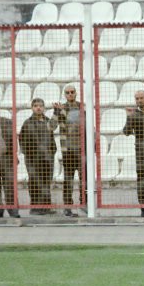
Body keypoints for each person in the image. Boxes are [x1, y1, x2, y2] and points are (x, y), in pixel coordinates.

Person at [18, 98, 58, 215]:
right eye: (36, 106)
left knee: (46, 181)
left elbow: (54, 127)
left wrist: (56, 112)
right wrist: (28, 153)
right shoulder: (27, 123)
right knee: (34, 181)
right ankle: (35, 208)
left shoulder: (48, 121)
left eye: (41, 105)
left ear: (44, 108)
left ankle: (46, 207)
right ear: (32, 108)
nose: (38, 108)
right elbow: (22, 140)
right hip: (33, 159)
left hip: (47, 157)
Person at [53, 85, 85, 217]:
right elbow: (51, 127)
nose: (70, 94)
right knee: (68, 180)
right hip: (68, 150)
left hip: (82, 149)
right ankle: (67, 207)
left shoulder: (83, 107)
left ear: (76, 93)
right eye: (67, 92)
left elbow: (90, 126)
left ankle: (85, 204)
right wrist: (56, 112)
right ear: (65, 95)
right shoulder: (61, 108)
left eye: (72, 92)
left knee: (84, 179)